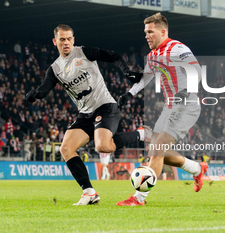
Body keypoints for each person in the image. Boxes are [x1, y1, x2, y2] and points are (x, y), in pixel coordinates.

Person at [25, 24, 145, 205]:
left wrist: (126, 71)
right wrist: (33, 95)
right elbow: (43, 90)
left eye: (69, 39)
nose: (66, 43)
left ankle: (142, 133)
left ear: (73, 39)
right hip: (85, 114)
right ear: (55, 41)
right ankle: (89, 192)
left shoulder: (84, 53)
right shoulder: (55, 68)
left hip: (105, 106)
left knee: (104, 146)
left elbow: (113, 55)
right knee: (66, 148)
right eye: (62, 39)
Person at [117, 13, 208, 206]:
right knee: (157, 151)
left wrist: (186, 90)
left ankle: (139, 198)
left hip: (186, 105)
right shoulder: (152, 55)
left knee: (157, 150)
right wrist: (129, 94)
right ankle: (197, 168)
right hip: (169, 108)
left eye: (150, 32)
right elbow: (145, 79)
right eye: (145, 32)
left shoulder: (177, 48)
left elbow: (197, 70)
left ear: (163, 31)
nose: (147, 36)